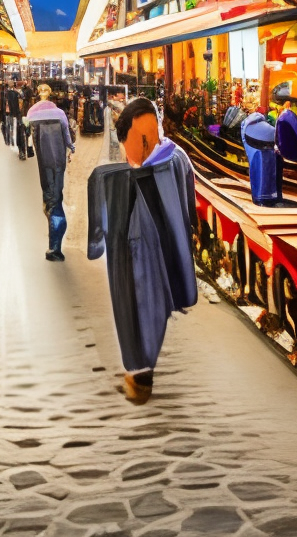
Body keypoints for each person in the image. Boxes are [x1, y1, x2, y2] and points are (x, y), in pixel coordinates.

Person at [87, 97, 197, 404]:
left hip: (134, 246)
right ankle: (141, 369)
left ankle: (139, 371)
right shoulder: (177, 159)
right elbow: (189, 204)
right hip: (165, 243)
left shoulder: (117, 177)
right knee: (153, 304)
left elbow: (101, 209)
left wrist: (97, 241)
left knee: (138, 305)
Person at [25, 83, 75, 261]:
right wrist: (71, 147)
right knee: (56, 199)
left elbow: (27, 134)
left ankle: (55, 248)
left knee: (51, 201)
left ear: (38, 94)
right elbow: (68, 136)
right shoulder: (59, 113)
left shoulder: (32, 112)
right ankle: (55, 245)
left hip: (44, 162)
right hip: (59, 160)